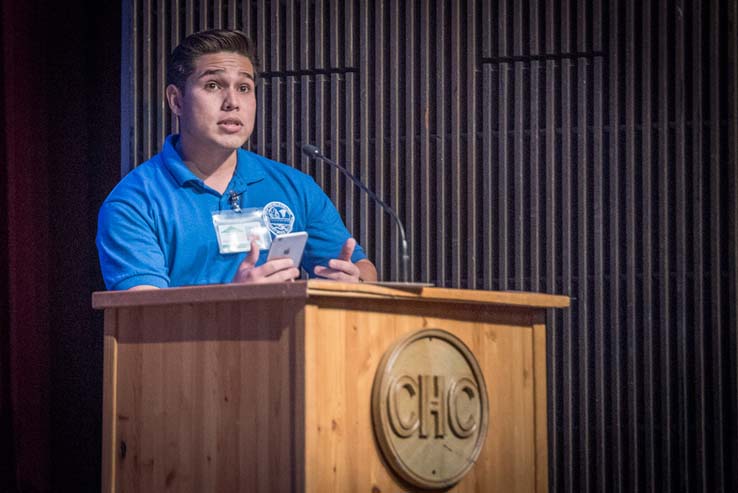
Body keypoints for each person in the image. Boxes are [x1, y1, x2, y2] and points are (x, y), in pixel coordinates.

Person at [97, 29, 377, 290]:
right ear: (176, 101)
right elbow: (141, 315)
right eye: (213, 85)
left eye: (244, 88)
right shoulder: (134, 202)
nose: (232, 102)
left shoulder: (295, 187)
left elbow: (363, 267)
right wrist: (236, 299)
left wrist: (355, 279)